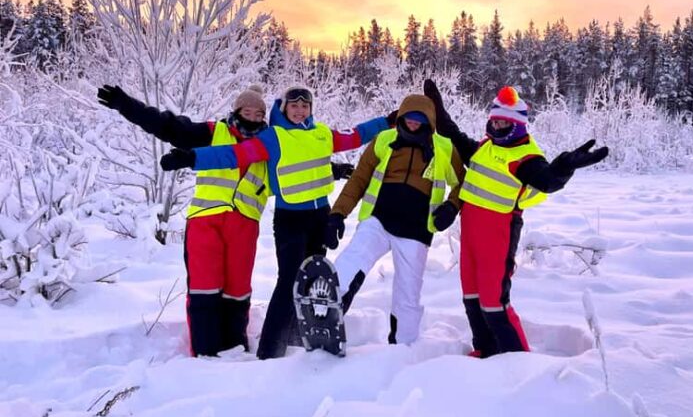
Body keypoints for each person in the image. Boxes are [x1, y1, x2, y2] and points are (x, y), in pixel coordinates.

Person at [160, 86, 393, 359]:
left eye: (304, 106)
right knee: (288, 282)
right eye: (293, 106)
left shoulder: (321, 134)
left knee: (311, 281)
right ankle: (271, 348)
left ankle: (297, 339)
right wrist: (193, 158)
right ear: (283, 109)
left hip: (319, 217)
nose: (299, 110)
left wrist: (386, 122)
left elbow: (354, 135)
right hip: (290, 220)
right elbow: (233, 155)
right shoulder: (273, 137)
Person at [424, 80, 608, 357]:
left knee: (494, 301)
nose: (497, 128)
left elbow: (547, 180)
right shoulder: (484, 147)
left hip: (498, 238)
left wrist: (566, 165)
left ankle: (517, 359)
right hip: (472, 237)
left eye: (503, 124)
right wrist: (436, 108)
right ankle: (485, 350)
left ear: (518, 126)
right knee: (471, 297)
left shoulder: (525, 157)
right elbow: (452, 134)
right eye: (494, 122)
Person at [97, 83, 273, 357]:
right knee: (205, 287)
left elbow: (299, 167)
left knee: (238, 290)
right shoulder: (214, 132)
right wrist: (125, 104)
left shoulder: (269, 148)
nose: (252, 117)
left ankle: (235, 349)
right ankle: (205, 354)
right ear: (236, 111)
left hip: (245, 226)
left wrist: (332, 171)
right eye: (246, 111)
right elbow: (168, 126)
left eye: (258, 113)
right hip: (206, 221)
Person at [324, 94, 466, 345]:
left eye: (419, 120)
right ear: (401, 117)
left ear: (430, 122)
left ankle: (403, 347)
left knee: (408, 294)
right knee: (353, 258)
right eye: (408, 118)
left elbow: (463, 184)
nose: (412, 123)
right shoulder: (384, 139)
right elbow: (358, 180)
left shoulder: (444, 148)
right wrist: (338, 213)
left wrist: (451, 207)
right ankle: (325, 309)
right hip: (379, 219)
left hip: (416, 230)